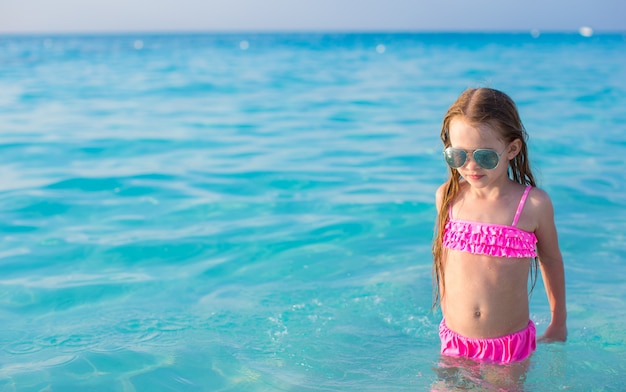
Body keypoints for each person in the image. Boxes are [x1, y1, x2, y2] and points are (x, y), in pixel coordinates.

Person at [432, 87, 567, 366]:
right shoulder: (448, 196)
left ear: (512, 149)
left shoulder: (532, 205)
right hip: (454, 341)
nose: (470, 166)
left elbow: (551, 260)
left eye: (484, 156)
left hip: (508, 349)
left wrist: (558, 321)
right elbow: (445, 261)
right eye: (458, 156)